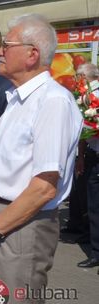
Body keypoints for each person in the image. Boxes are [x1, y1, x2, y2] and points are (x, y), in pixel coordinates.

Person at [0, 14, 83, 302]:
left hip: (17, 228)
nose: (0, 51)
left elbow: (44, 187)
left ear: (32, 54)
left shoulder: (52, 101)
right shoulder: (18, 98)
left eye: (7, 44)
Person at [75, 63, 99, 272]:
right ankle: (95, 250)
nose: (76, 80)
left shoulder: (93, 96)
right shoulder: (85, 98)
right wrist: (81, 156)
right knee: (92, 206)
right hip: (93, 154)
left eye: (78, 76)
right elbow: (85, 130)